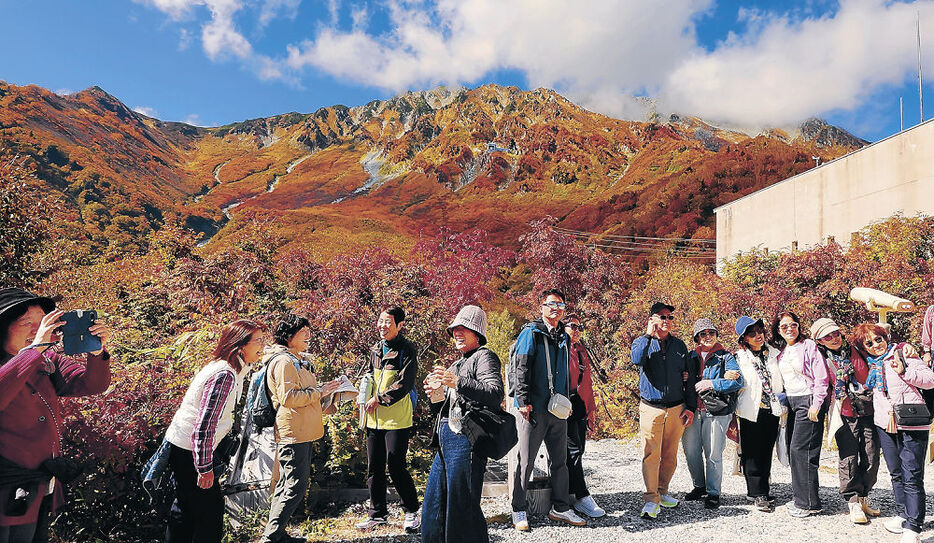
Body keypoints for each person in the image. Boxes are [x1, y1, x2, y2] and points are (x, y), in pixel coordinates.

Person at [0, 288, 112, 543]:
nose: (36, 331)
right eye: (27, 323)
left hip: (39, 485)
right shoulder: (34, 357)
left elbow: (91, 384)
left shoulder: (47, 360)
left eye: (42, 324)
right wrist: (34, 351)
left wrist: (97, 353)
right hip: (7, 485)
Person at [164, 319, 265, 543]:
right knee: (209, 516)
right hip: (191, 451)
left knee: (185, 510)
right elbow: (204, 425)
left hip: (183, 446)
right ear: (240, 345)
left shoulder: (230, 368)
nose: (262, 346)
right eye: (258, 341)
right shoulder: (225, 375)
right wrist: (204, 468)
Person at [421, 305, 504, 543]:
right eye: (454, 329)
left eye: (463, 329)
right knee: (434, 504)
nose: (457, 333)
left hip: (466, 441)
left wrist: (457, 382)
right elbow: (444, 409)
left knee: (461, 505)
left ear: (476, 334)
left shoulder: (484, 356)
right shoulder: (456, 364)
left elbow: (495, 393)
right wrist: (435, 394)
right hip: (447, 440)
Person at [509, 289, 586, 530]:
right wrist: (522, 402)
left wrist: (567, 403)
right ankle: (518, 509)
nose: (556, 308)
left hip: (557, 409)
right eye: (551, 304)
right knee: (526, 460)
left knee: (560, 461)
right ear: (541, 306)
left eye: (560, 305)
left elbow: (565, 372)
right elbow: (520, 367)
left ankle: (561, 507)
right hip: (533, 409)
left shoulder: (564, 336)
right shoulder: (530, 333)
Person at [261, 315, 342, 543]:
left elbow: (303, 392)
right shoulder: (284, 362)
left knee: (287, 484)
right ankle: (270, 537)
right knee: (295, 486)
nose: (308, 335)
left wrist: (329, 392)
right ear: (288, 336)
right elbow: (288, 398)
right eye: (302, 331)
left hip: (302, 429)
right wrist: (320, 391)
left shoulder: (295, 359)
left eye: (309, 330)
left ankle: (277, 534)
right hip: (293, 432)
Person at [858, 323, 934, 543]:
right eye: (869, 343)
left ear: (885, 338)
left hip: (911, 422)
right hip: (885, 423)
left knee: (912, 475)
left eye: (878, 339)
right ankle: (903, 514)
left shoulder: (903, 353)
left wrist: (905, 371)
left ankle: (914, 526)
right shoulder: (872, 365)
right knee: (896, 472)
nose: (875, 345)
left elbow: (929, 380)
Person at [811, 317, 881, 525]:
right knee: (848, 458)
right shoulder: (820, 359)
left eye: (834, 333)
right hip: (843, 412)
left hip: (868, 409)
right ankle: (852, 501)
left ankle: (864, 497)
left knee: (871, 456)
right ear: (820, 341)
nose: (833, 338)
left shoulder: (857, 349)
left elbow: (883, 346)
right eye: (826, 336)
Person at [357, 306, 420, 532]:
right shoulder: (375, 349)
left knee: (396, 466)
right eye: (381, 321)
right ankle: (377, 514)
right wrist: (362, 398)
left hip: (397, 419)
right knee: (374, 468)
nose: (382, 326)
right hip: (373, 418)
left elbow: (405, 383)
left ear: (400, 325)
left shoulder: (406, 349)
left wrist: (380, 399)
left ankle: (412, 510)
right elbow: (369, 377)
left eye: (388, 322)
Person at [630, 301, 695, 520]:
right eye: (661, 317)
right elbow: (636, 359)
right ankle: (651, 499)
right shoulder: (642, 342)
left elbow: (689, 376)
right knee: (651, 454)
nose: (666, 321)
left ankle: (663, 491)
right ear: (652, 319)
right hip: (651, 408)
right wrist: (649, 335)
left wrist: (691, 407)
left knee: (670, 456)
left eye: (669, 318)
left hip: (676, 407)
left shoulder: (679, 345)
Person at [680, 318, 743, 509]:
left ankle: (713, 492)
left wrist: (713, 383)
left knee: (713, 453)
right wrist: (684, 378)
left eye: (711, 333)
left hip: (716, 411)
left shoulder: (726, 357)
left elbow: (737, 382)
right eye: (703, 334)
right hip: (692, 410)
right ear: (697, 338)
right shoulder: (689, 357)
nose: (708, 337)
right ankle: (699, 487)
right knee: (691, 452)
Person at [771, 311, 829, 518]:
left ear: (799, 326)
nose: (789, 329)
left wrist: (816, 404)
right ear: (778, 329)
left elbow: (821, 377)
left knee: (802, 450)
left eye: (793, 324)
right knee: (794, 450)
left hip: (808, 401)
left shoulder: (809, 346)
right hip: (792, 403)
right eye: (784, 326)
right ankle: (801, 498)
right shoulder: (782, 351)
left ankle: (809, 504)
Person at [733, 316, 785, 513]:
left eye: (760, 331)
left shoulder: (774, 353)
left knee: (766, 450)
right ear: (744, 338)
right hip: (750, 410)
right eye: (752, 333)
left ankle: (763, 487)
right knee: (752, 452)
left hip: (772, 409)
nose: (758, 336)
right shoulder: (739, 358)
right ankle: (756, 492)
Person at [563, 314, 604, 518]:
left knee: (580, 449)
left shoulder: (580, 350)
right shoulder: (560, 348)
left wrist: (590, 410)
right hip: (563, 404)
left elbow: (586, 382)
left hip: (579, 404)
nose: (577, 330)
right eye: (572, 326)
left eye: (579, 326)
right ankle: (581, 496)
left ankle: (571, 493)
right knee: (573, 451)